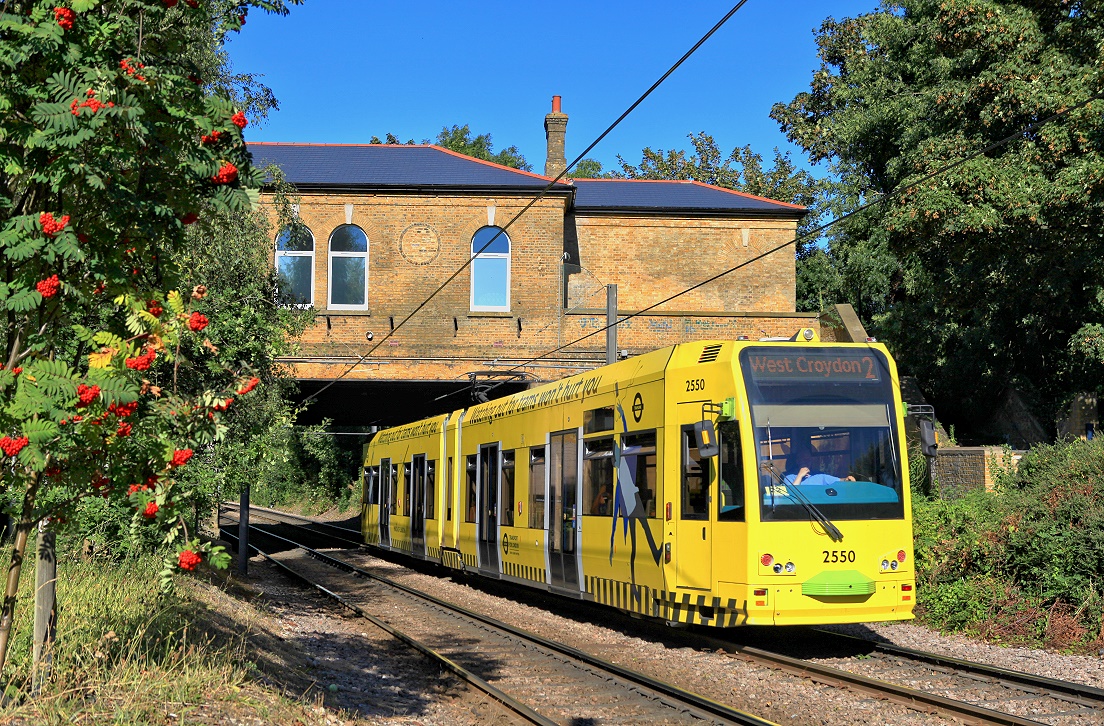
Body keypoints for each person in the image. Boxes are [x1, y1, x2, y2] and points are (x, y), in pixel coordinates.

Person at [784, 437, 855, 486]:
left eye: (808, 459)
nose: (806, 462)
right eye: (803, 459)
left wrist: (846, 480)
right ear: (797, 461)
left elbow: (837, 481)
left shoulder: (819, 476)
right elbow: (792, 494)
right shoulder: (789, 477)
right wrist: (799, 476)